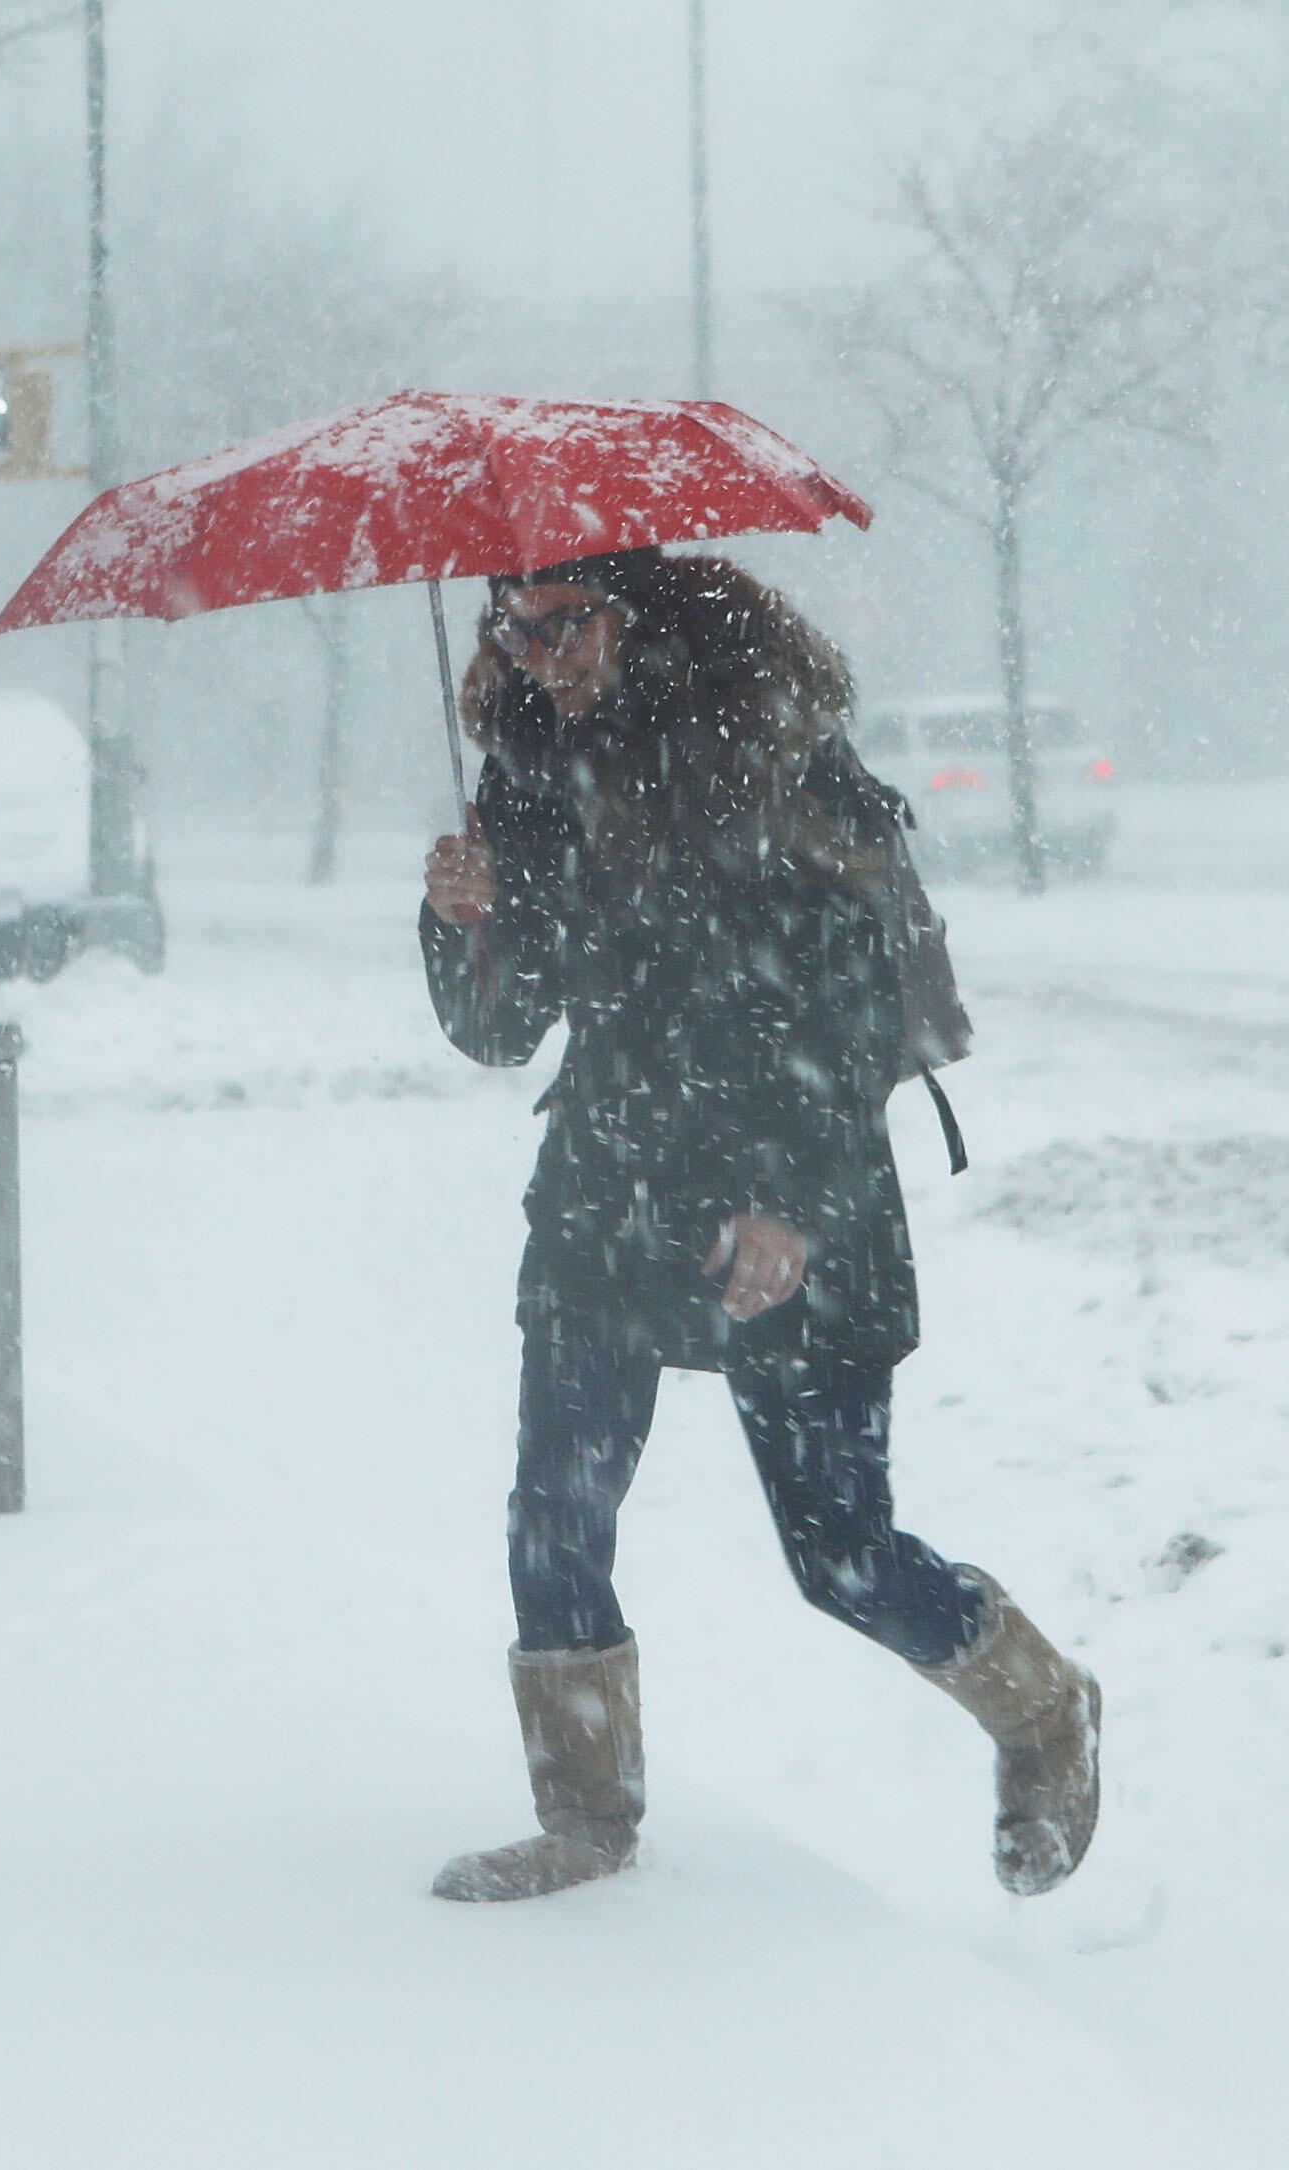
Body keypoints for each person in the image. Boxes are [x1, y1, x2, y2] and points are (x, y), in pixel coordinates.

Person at [418, 546, 1099, 1902]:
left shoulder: (769, 746)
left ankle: (1042, 1705)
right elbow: (502, 1025)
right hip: (611, 1176)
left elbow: (852, 1002)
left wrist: (788, 1201)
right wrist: (462, 921)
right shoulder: (530, 768)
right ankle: (585, 1819)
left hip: (788, 1172)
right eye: (515, 627)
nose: (538, 655)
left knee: (839, 1555)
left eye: (565, 624)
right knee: (556, 1509)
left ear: (636, 615)